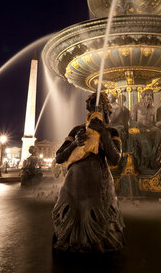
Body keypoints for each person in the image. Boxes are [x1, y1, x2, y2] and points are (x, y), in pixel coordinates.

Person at [52, 92, 125, 253]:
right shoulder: (78, 130)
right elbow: (58, 157)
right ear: (89, 110)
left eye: (99, 106)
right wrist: (74, 144)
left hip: (99, 190)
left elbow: (115, 159)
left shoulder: (112, 132)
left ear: (106, 110)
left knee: (100, 239)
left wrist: (103, 134)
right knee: (69, 237)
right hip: (72, 190)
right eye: (92, 106)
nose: (95, 109)